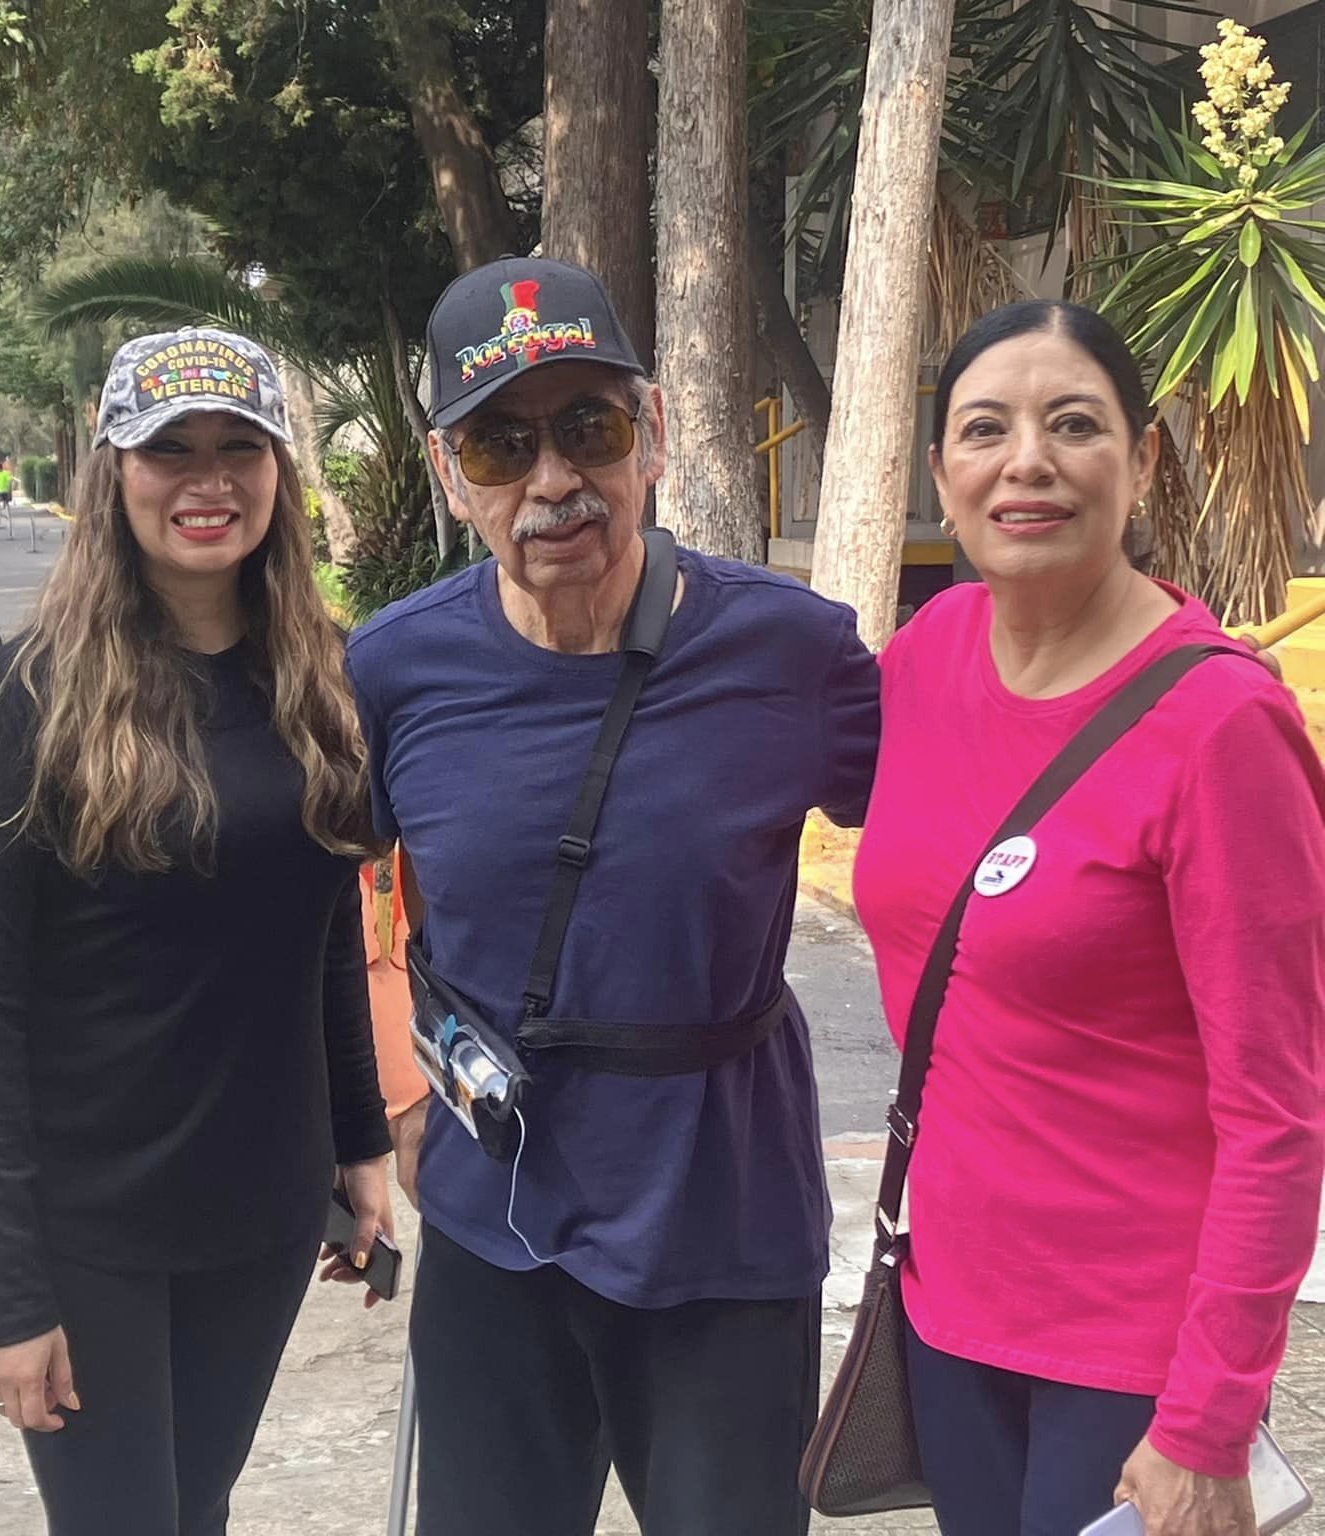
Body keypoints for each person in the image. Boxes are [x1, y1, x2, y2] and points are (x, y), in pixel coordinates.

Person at [348, 256, 882, 1534]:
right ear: (449, 476)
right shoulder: (393, 669)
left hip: (722, 1217)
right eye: (499, 447)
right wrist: (395, 1097)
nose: (551, 482)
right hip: (492, 1208)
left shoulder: (790, 650)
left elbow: (954, 836)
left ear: (653, 435)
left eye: (586, 428)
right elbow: (340, 894)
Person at [853, 299, 1325, 1536]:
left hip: (1130, 1359)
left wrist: (1206, 1421)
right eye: (983, 430)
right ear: (940, 473)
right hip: (946, 1314)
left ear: (1141, 458)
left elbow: (1277, 1114)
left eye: (1072, 424)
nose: (1026, 462)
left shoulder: (1220, 728)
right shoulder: (928, 652)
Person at [0, 325, 396, 1536]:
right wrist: (6, 1291)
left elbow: (323, 929)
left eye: (239, 447)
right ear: (112, 474)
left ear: (278, 469)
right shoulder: (26, 700)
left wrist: (357, 1141)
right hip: (89, 1230)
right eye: (168, 450)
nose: (207, 480)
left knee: (196, 1511)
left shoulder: (322, 681)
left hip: (261, 1208)